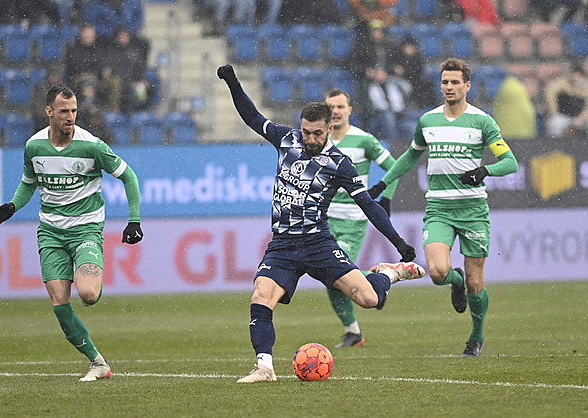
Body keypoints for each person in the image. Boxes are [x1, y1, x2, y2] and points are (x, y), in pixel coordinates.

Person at [217, 64, 425, 383]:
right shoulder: (286, 139)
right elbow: (252, 117)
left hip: (318, 244)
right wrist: (233, 82)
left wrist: (397, 243)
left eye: (317, 133)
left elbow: (368, 204)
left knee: (369, 299)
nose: (310, 138)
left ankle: (388, 273)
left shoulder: (340, 163)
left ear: (329, 128)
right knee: (261, 297)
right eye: (306, 131)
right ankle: (264, 367)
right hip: (283, 246)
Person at [368, 58, 518, 357]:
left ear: (467, 85)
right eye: (445, 82)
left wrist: (484, 171)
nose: (449, 87)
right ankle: (455, 280)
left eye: (454, 82)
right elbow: (411, 156)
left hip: (473, 211)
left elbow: (510, 162)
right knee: (437, 271)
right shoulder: (428, 121)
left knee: (477, 282)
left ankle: (476, 336)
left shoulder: (482, 121)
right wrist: (382, 183)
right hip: (439, 209)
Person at [0, 84, 143, 381]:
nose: (70, 117)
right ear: (49, 112)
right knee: (60, 303)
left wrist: (134, 220)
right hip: (50, 232)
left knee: (87, 294)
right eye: (64, 111)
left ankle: (91, 265)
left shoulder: (92, 146)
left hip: (86, 228)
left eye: (74, 110)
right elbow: (29, 183)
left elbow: (128, 176)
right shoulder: (34, 147)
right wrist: (12, 205)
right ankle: (98, 363)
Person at [324, 88, 399, 348]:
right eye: (331, 107)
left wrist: (386, 198)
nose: (335, 111)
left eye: (340, 107)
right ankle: (353, 332)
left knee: (335, 273)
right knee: (330, 279)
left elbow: (394, 167)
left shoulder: (364, 140)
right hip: (323, 221)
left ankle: (383, 277)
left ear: (349, 110)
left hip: (353, 220)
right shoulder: (319, 140)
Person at [544, 63, 588, 138]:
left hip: (580, 118)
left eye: (577, 74)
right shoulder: (563, 83)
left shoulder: (586, 87)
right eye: (573, 74)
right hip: (563, 116)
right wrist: (554, 113)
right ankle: (556, 146)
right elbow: (550, 93)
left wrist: (581, 118)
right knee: (554, 124)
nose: (575, 77)